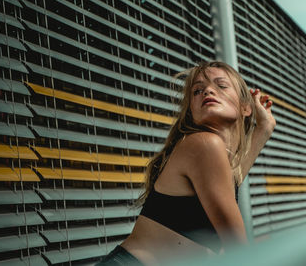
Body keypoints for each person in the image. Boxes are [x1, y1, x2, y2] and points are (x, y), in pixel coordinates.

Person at [96, 61, 276, 265]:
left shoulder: (211, 157)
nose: (208, 90)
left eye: (221, 85)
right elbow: (237, 244)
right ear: (191, 111)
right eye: (197, 90)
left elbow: (231, 183)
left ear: (246, 107)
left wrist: (264, 128)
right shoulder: (204, 144)